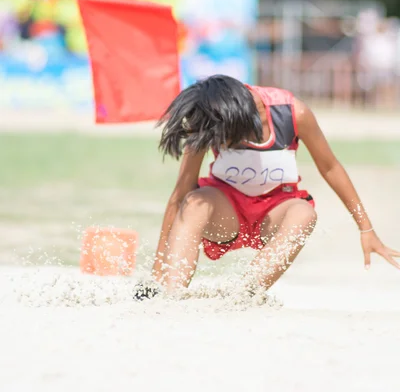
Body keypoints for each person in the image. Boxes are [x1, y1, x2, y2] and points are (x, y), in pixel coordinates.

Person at [135, 75, 399, 300]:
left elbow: (330, 167)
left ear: (237, 117)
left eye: (224, 137)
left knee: (305, 213)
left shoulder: (293, 112)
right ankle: (169, 295)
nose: (221, 143)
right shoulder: (211, 118)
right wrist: (159, 269)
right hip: (226, 211)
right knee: (193, 203)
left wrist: (366, 229)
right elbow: (180, 195)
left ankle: (244, 296)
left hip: (274, 213)